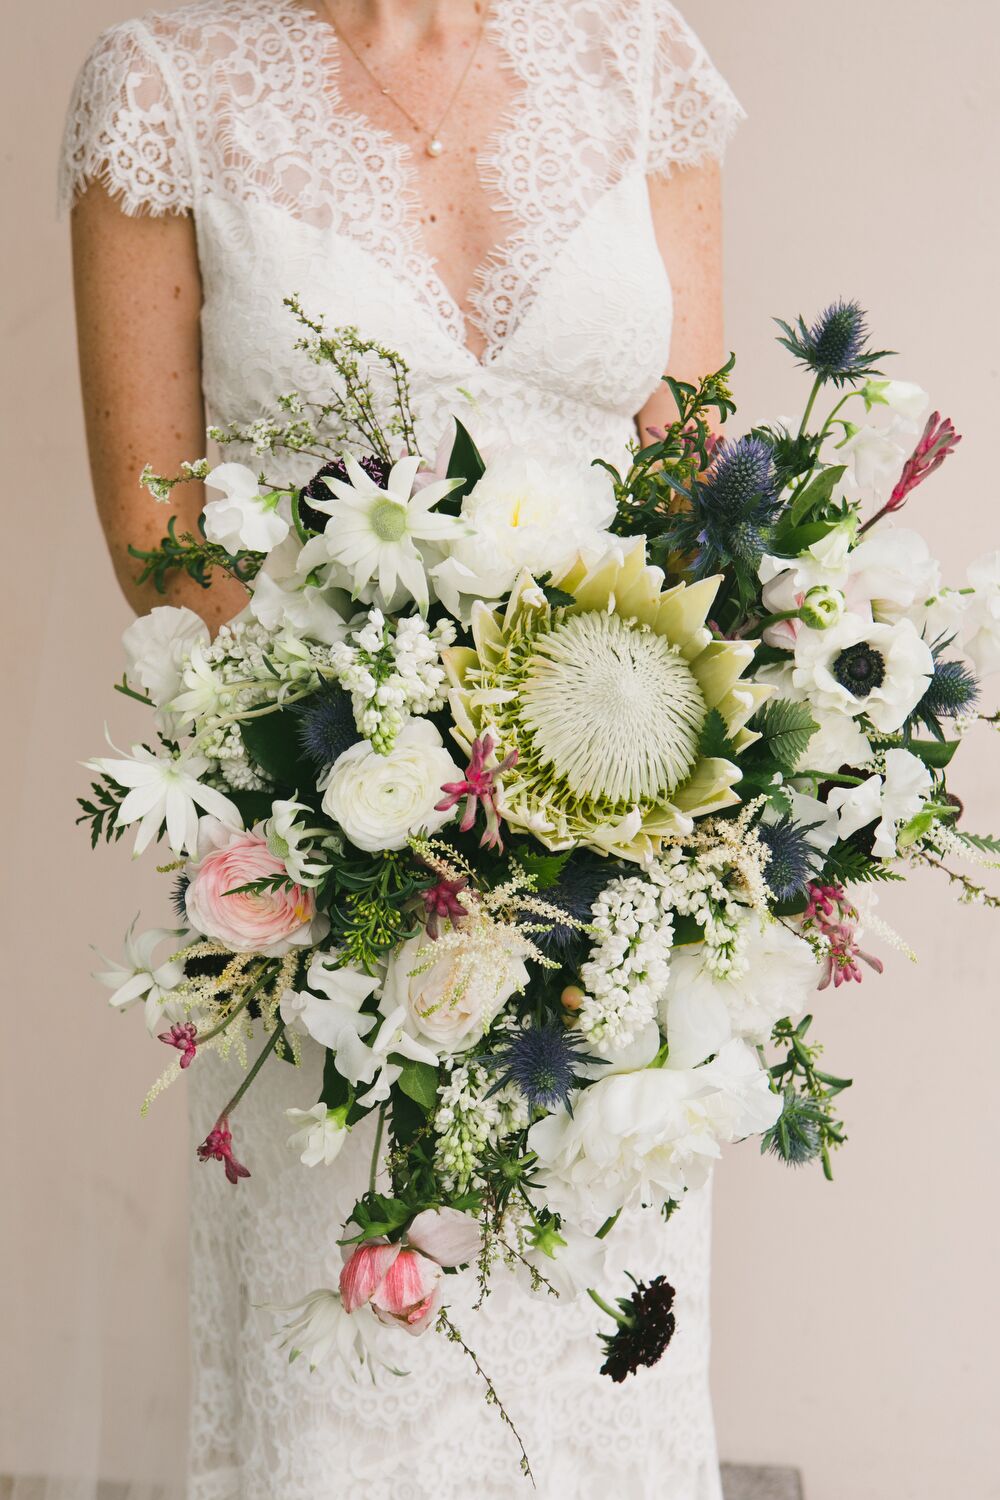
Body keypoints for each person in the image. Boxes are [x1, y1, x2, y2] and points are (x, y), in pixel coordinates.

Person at [62, 3, 744, 1494]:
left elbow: (692, 487)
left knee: (604, 1361)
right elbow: (160, 539)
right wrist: (398, 780)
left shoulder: (642, 64)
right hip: (340, 866)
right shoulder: (165, 86)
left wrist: (615, 801)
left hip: (615, 870)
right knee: (357, 1374)